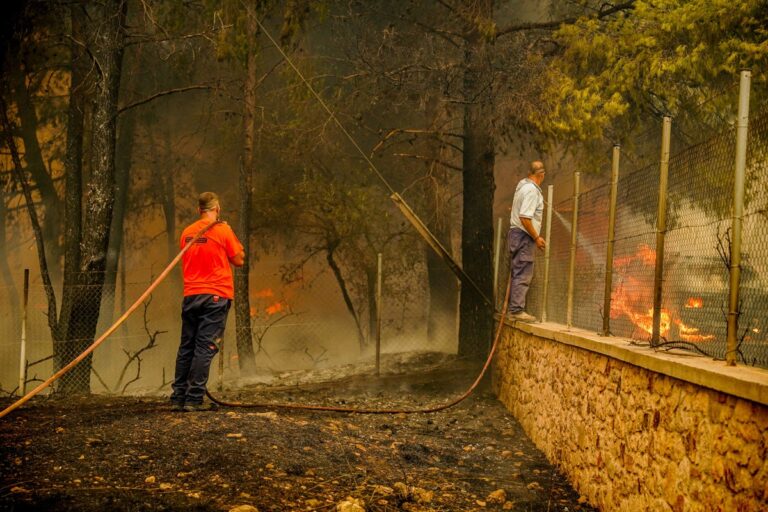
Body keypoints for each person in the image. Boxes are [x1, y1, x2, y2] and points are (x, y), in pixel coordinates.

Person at [170, 192, 245, 412]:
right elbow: (239, 260)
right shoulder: (222, 230)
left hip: (191, 295)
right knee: (205, 346)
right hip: (215, 295)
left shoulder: (187, 233)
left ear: (199, 210)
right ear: (217, 208)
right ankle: (194, 399)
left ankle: (178, 397)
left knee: (187, 347)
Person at [507, 161, 546, 322]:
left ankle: (515, 308)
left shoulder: (522, 187)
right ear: (541, 175)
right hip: (523, 237)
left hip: (516, 234)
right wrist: (536, 237)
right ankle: (516, 310)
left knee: (518, 270)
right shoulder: (531, 191)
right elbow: (525, 217)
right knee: (523, 271)